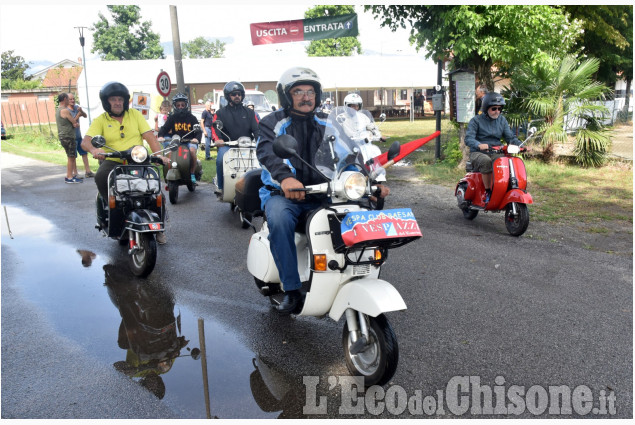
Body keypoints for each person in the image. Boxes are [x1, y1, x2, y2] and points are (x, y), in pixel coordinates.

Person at [257, 67, 389, 315]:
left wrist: (368, 180)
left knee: (361, 212)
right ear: (286, 96)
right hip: (285, 195)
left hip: (325, 192)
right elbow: (268, 152)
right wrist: (285, 179)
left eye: (310, 91)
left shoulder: (328, 121)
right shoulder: (272, 123)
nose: (306, 97)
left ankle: (354, 274)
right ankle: (291, 288)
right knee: (279, 218)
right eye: (298, 92)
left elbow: (348, 154)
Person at [81, 82, 169, 244]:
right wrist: (94, 150)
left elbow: (150, 136)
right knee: (100, 176)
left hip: (138, 160)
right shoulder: (101, 120)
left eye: (120, 99)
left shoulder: (135, 115)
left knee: (156, 192)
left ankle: (159, 228)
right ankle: (111, 207)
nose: (117, 102)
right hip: (113, 161)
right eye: (113, 99)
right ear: (107, 102)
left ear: (125, 101)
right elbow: (85, 142)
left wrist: (160, 156)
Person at [464, 92, 523, 206]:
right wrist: (478, 144)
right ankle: (488, 192)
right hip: (478, 152)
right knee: (486, 161)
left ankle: (504, 189)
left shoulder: (502, 120)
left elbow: (510, 137)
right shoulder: (476, 120)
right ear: (486, 109)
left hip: (496, 151)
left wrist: (521, 146)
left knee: (507, 162)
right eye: (494, 109)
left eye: (499, 109)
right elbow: (468, 139)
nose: (497, 111)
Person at [212, 81, 259, 196]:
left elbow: (257, 129)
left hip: (248, 145)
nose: (237, 96)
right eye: (234, 94)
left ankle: (261, 187)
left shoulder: (250, 113)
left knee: (261, 160)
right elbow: (215, 128)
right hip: (228, 145)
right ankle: (221, 187)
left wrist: (260, 141)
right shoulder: (220, 113)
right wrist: (218, 139)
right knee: (220, 160)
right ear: (228, 96)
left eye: (239, 94)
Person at [158, 93, 202, 184]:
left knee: (193, 151)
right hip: (177, 141)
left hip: (189, 141)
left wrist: (196, 139)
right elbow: (164, 128)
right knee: (168, 151)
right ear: (175, 106)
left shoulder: (192, 118)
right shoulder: (172, 118)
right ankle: (170, 169)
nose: (180, 107)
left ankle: (192, 173)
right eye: (178, 105)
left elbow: (198, 131)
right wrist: (161, 136)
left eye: (183, 105)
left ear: (186, 105)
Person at [55, 93, 83, 184]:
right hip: (68, 136)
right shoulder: (65, 111)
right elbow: (74, 122)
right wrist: (78, 115)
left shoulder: (58, 110)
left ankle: (69, 175)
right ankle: (70, 177)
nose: (69, 101)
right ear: (64, 99)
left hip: (63, 136)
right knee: (71, 157)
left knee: (70, 156)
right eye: (68, 99)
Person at [68, 93, 94, 178]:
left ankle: (88, 171)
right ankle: (75, 173)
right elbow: (72, 122)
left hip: (78, 135)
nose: (73, 100)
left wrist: (81, 111)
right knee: (73, 156)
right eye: (70, 99)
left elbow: (85, 116)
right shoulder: (66, 111)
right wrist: (78, 115)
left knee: (84, 153)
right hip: (71, 137)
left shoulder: (76, 107)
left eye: (73, 99)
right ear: (67, 101)